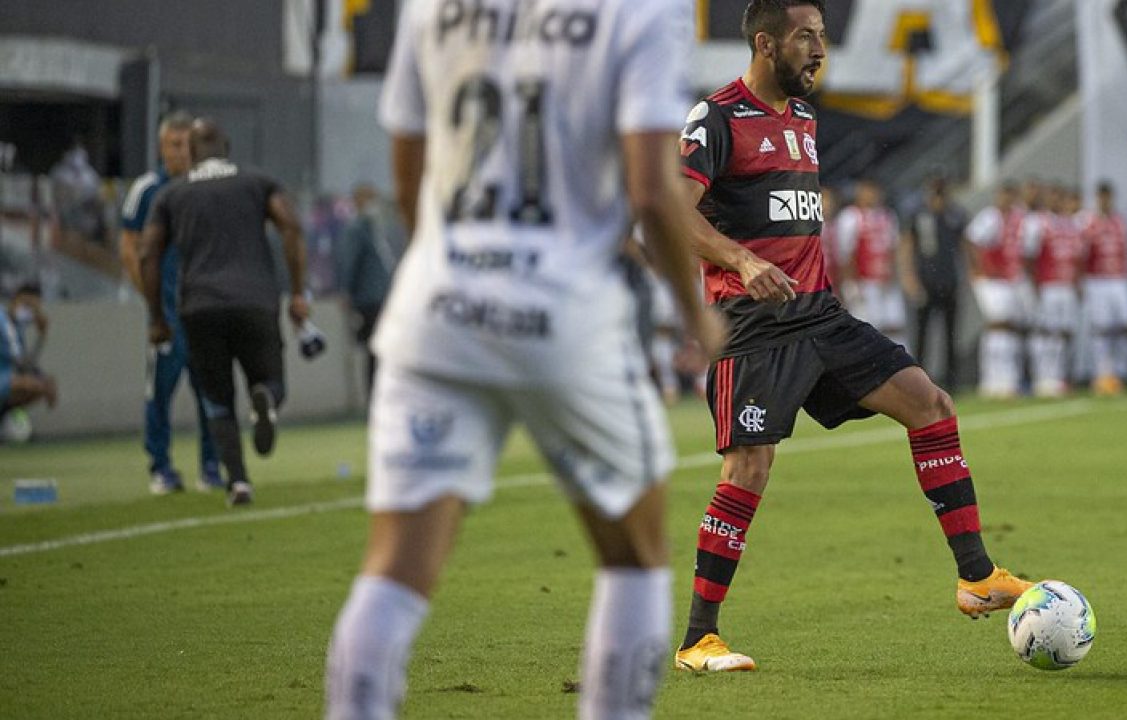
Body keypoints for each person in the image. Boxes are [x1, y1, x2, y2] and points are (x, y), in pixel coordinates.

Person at [324, 2, 724, 719]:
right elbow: (650, 190)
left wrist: (454, 273)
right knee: (634, 552)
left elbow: (409, 170)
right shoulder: (642, 12)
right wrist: (695, 314)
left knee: (394, 569)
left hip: (437, 308)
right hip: (564, 311)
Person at [672, 0, 1032, 674]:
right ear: (764, 42)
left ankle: (977, 577)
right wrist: (743, 261)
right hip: (754, 328)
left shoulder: (804, 118)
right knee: (749, 468)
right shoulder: (716, 118)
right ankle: (698, 639)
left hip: (822, 317)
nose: (818, 50)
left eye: (823, 38)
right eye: (805, 37)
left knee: (931, 404)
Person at [141, 119, 310, 507]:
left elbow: (148, 253)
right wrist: (298, 292)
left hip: (199, 307)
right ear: (227, 147)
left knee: (217, 399)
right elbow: (291, 226)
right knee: (270, 380)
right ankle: (264, 399)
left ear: (192, 151)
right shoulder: (257, 183)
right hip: (255, 301)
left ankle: (238, 482)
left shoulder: (171, 195)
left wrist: (156, 317)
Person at [119, 111, 222, 494]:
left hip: (204, 310)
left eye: (187, 145)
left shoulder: (206, 187)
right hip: (166, 311)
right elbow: (128, 245)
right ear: (162, 147)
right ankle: (160, 467)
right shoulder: (147, 189)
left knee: (212, 391)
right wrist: (150, 297)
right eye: (175, 145)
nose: (182, 152)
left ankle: (211, 467)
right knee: (159, 390)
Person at [964, 181, 1031, 398]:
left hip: (1009, 278)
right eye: (1003, 195)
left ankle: (1005, 379)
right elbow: (971, 241)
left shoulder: (1019, 218)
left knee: (1009, 326)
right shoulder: (989, 216)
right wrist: (978, 268)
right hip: (990, 280)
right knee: (999, 323)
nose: (1006, 200)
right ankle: (993, 379)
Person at [900, 176, 968, 389]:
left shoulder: (956, 215)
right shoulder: (918, 215)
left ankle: (952, 381)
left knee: (951, 334)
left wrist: (968, 274)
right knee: (921, 334)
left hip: (949, 280)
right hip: (926, 280)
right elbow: (907, 246)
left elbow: (965, 245)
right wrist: (909, 278)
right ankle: (920, 380)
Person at [335, 184, 402, 397]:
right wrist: (346, 290)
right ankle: (374, 396)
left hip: (382, 296)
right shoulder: (356, 229)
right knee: (374, 349)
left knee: (385, 349)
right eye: (370, 199)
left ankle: (384, 393)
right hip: (369, 298)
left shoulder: (375, 227)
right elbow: (350, 262)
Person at [1024, 186, 1085, 397]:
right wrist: (1035, 284)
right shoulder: (1038, 222)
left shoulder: (1072, 224)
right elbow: (1028, 257)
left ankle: (1061, 376)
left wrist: (1078, 284)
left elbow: (1078, 259)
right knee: (1047, 332)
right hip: (1047, 285)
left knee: (1065, 333)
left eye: (1061, 197)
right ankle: (1043, 377)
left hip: (1066, 285)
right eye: (1054, 197)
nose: (1057, 201)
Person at [1080, 181, 1127, 395]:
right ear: (1097, 198)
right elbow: (1081, 253)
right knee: (1102, 327)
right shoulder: (1087, 221)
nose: (1104, 200)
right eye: (1101, 196)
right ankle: (1103, 374)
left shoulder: (1122, 220)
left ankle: (1119, 369)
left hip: (1119, 278)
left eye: (1108, 196)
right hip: (1097, 279)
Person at [832, 179, 907, 345]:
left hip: (886, 282)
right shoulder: (850, 216)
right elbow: (845, 253)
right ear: (859, 192)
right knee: (866, 329)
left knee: (896, 327)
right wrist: (850, 284)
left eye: (875, 191)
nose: (872, 195)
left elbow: (893, 249)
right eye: (868, 190)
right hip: (863, 282)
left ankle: (895, 367)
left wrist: (895, 278)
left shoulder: (888, 215)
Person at [1, 282, 57, 439]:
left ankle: (4, 418)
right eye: (27, 305)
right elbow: (22, 364)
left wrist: (41, 336)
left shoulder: (17, 327)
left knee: (43, 384)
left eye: (34, 309)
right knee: (31, 384)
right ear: (15, 300)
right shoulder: (3, 321)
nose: (30, 312)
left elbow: (25, 364)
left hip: (5, 376)